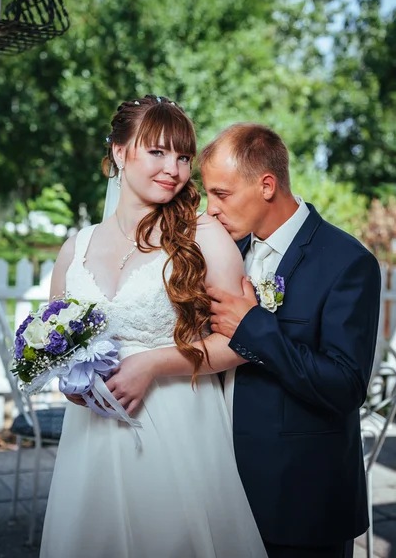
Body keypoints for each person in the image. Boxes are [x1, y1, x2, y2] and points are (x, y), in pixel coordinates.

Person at [111, 123, 382, 558]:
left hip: (299, 500)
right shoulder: (226, 252)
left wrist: (255, 327)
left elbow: (345, 387)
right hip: (218, 488)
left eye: (222, 194)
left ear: (267, 185)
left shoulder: (348, 263)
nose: (210, 209)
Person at [40, 97, 268, 558]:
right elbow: (56, 346)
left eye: (184, 156)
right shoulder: (75, 248)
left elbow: (241, 341)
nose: (174, 169)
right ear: (120, 153)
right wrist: (71, 384)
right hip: (93, 432)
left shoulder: (204, 238)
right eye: (158, 152)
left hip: (177, 425)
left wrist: (153, 365)